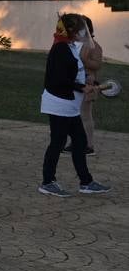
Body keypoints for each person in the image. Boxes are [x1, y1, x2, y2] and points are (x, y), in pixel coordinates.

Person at [38, 14, 108, 198]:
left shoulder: (69, 46)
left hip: (69, 104)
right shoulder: (60, 49)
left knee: (80, 142)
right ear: (72, 31)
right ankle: (47, 182)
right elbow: (59, 79)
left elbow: (74, 73)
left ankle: (86, 182)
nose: (85, 32)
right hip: (58, 103)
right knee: (58, 143)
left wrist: (88, 81)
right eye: (82, 29)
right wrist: (80, 87)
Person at [74, 15, 102, 156]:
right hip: (75, 85)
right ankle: (74, 142)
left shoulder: (95, 46)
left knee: (85, 115)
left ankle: (89, 145)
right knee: (74, 115)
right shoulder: (74, 43)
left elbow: (97, 65)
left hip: (88, 85)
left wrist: (84, 60)